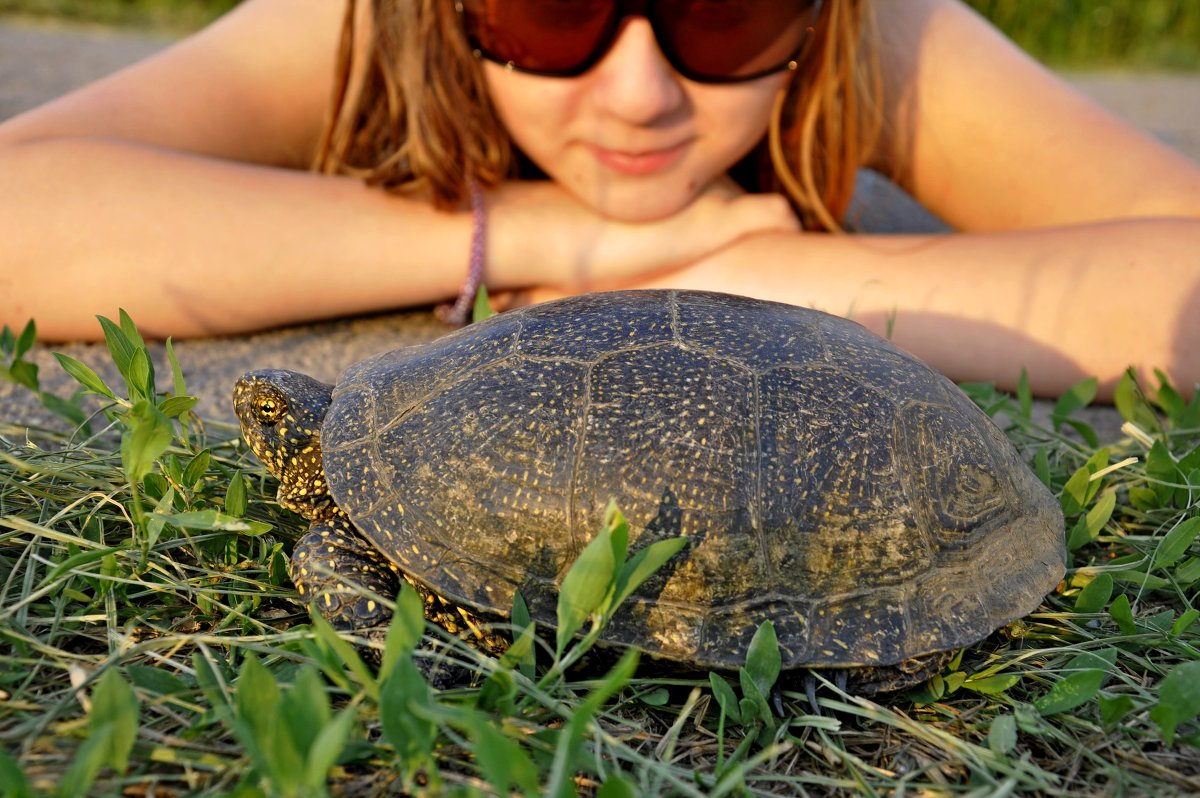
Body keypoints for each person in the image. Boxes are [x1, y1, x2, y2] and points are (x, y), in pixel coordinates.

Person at [0, 0, 1197, 399]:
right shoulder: (375, 18)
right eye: (549, 11)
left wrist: (761, 278)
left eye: (726, 14)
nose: (638, 97)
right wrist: (529, 231)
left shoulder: (869, 31)